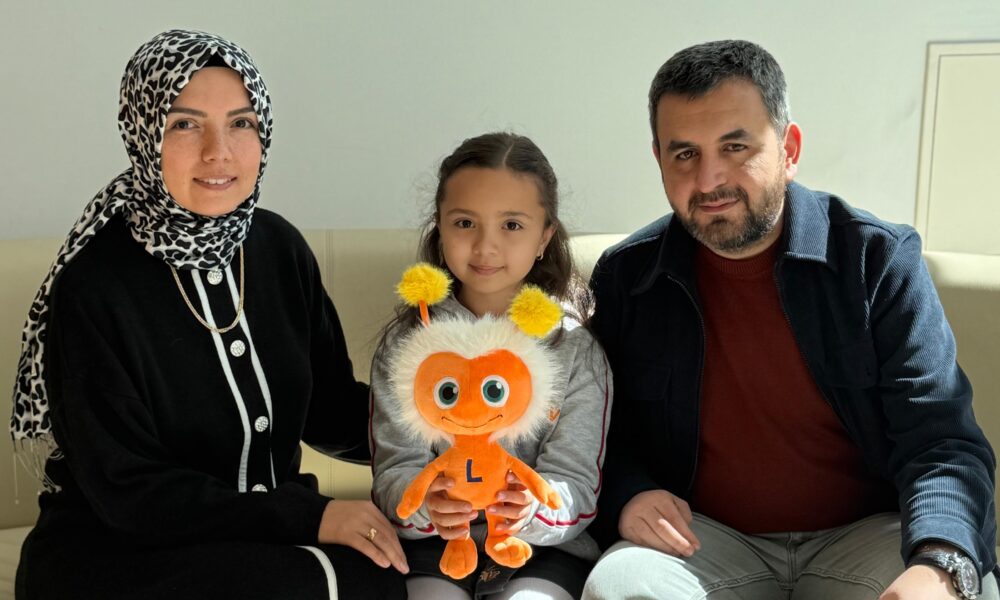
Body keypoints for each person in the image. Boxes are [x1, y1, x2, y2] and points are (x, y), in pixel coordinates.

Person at [582, 40, 997, 600]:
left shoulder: (877, 260)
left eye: (735, 147)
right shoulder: (627, 276)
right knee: (618, 586)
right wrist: (628, 493)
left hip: (867, 537)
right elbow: (597, 432)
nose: (708, 179)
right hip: (703, 542)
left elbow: (942, 442)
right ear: (659, 159)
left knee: (963, 588)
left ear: (789, 148)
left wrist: (939, 564)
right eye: (685, 155)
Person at [11, 29, 407, 599]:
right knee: (316, 586)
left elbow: (329, 409)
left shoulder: (279, 249)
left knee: (388, 570)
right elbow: (129, 491)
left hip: (260, 542)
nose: (218, 151)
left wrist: (442, 435)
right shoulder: (93, 286)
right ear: (143, 134)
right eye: (185, 125)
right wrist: (310, 516)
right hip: (122, 551)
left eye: (241, 122)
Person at [370, 132, 613, 600]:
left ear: (545, 236)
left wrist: (530, 509)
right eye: (465, 223)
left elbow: (577, 485)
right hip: (434, 548)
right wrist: (427, 506)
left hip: (543, 551)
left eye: (512, 225)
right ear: (440, 229)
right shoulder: (409, 345)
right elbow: (395, 470)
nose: (486, 247)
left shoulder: (574, 350)